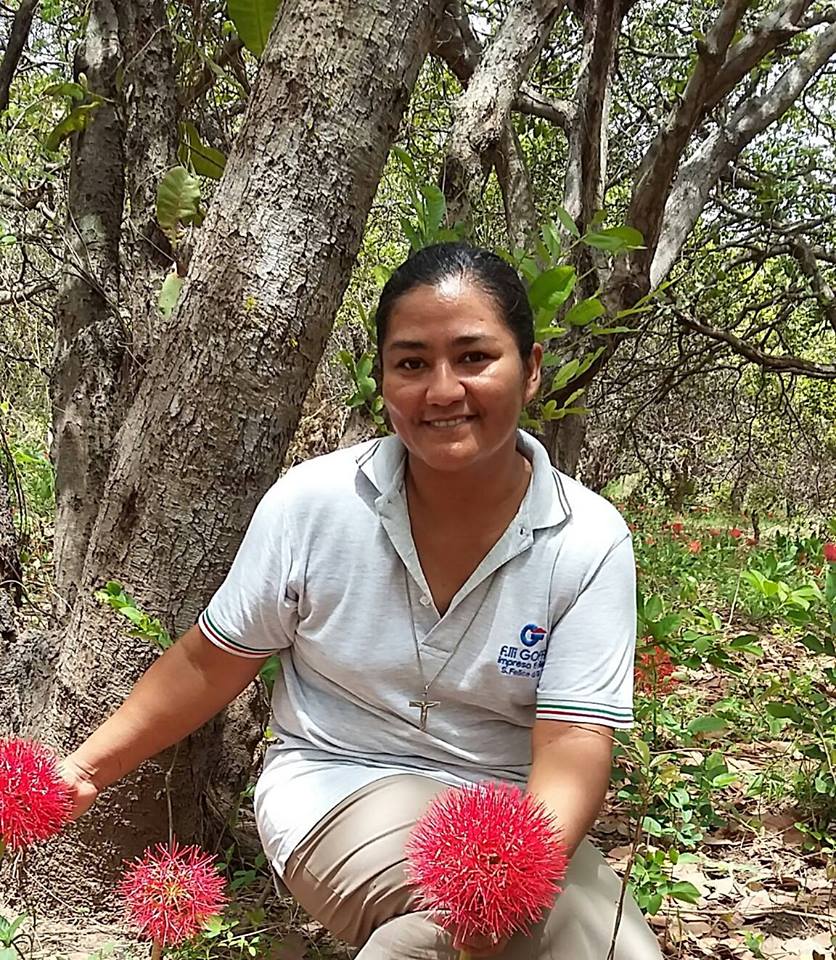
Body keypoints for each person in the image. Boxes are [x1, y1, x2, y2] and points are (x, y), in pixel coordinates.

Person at [62, 243, 662, 959]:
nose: (443, 390)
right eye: (411, 363)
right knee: (461, 924)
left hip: (512, 811)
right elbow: (213, 661)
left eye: (474, 358)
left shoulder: (588, 538)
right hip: (336, 783)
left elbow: (572, 742)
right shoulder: (315, 505)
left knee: (611, 949)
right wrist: (85, 770)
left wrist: (512, 873)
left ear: (529, 370)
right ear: (381, 380)